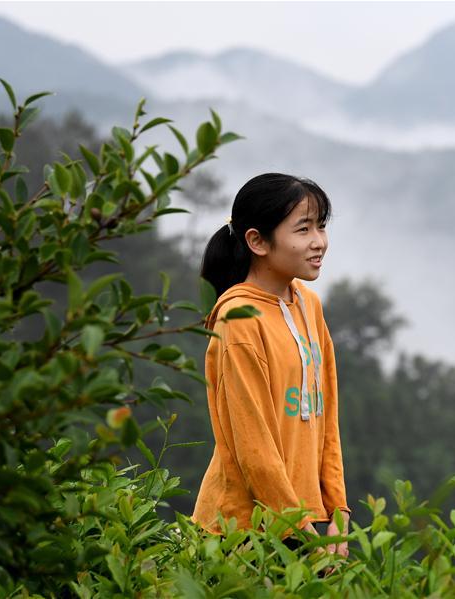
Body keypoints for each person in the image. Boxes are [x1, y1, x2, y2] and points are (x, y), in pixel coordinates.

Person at [192, 173, 350, 569]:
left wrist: (339, 514)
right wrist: (302, 537)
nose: (319, 242)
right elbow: (253, 446)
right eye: (303, 228)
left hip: (306, 522)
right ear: (257, 241)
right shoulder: (239, 319)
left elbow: (326, 418)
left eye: (321, 226)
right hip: (245, 531)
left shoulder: (309, 305)